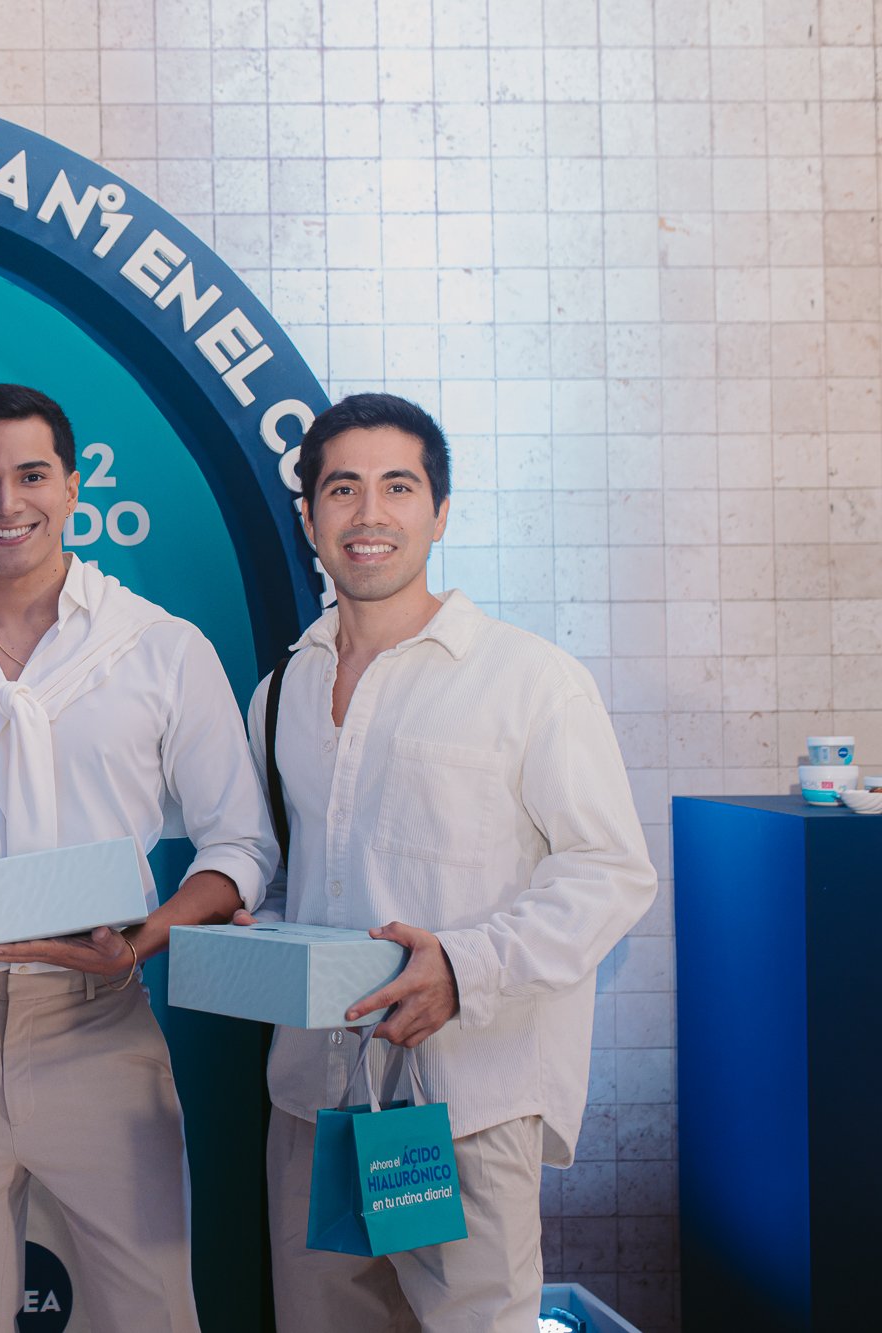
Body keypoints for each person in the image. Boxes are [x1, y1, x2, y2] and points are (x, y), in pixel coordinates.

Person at [0, 384, 276, 1330]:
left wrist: (140, 941)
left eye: (32, 475)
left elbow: (240, 844)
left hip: (100, 1023)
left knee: (152, 1309)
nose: (7, 502)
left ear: (74, 487)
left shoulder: (160, 649)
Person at [239, 392, 657, 1332]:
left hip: (465, 1103)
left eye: (399, 486)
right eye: (342, 488)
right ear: (308, 517)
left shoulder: (530, 680)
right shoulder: (280, 693)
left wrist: (464, 969)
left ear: (441, 514)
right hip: (314, 1105)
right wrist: (248, 936)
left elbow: (609, 870)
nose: (370, 513)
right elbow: (289, 876)